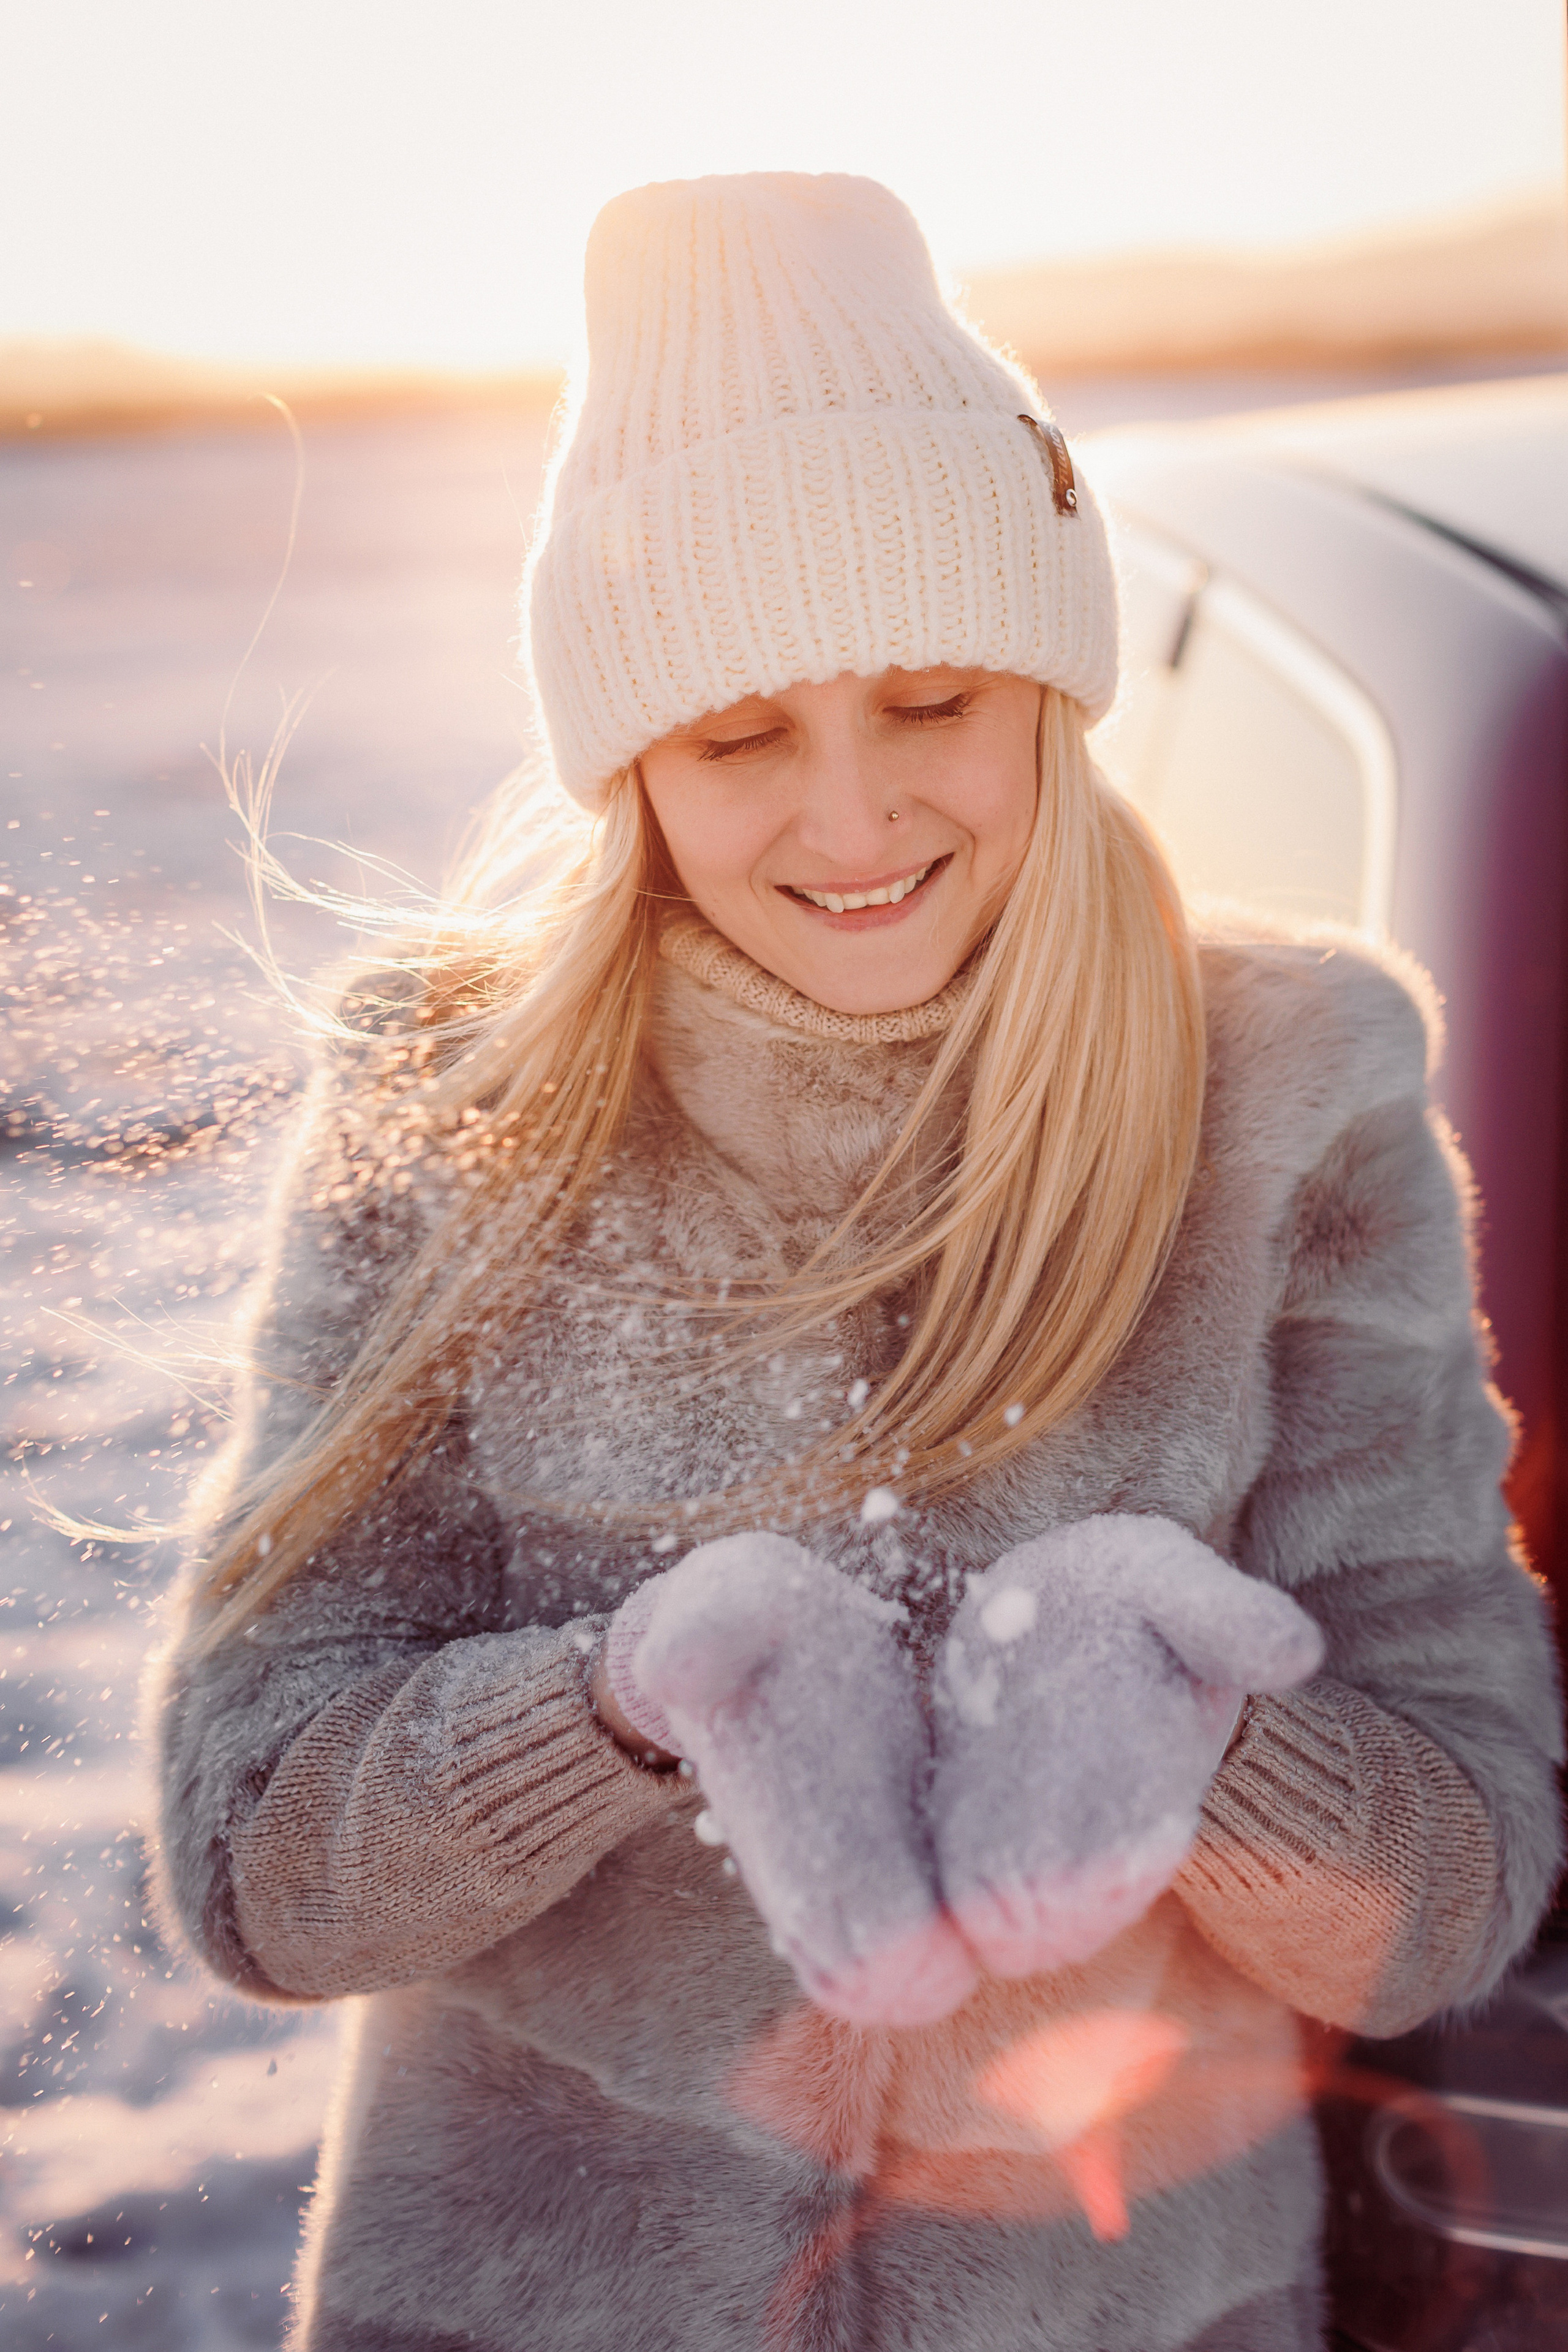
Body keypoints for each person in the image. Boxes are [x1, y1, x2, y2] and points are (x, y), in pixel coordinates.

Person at [148, 173, 1562, 2352]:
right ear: (632, 763)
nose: (852, 820)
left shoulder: (1291, 1099)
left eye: (932, 701)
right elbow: (250, 1867)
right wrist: (620, 1708)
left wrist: (1196, 1737)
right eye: (739, 736)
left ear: (1051, 689)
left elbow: (1452, 1897)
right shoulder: (456, 1109)